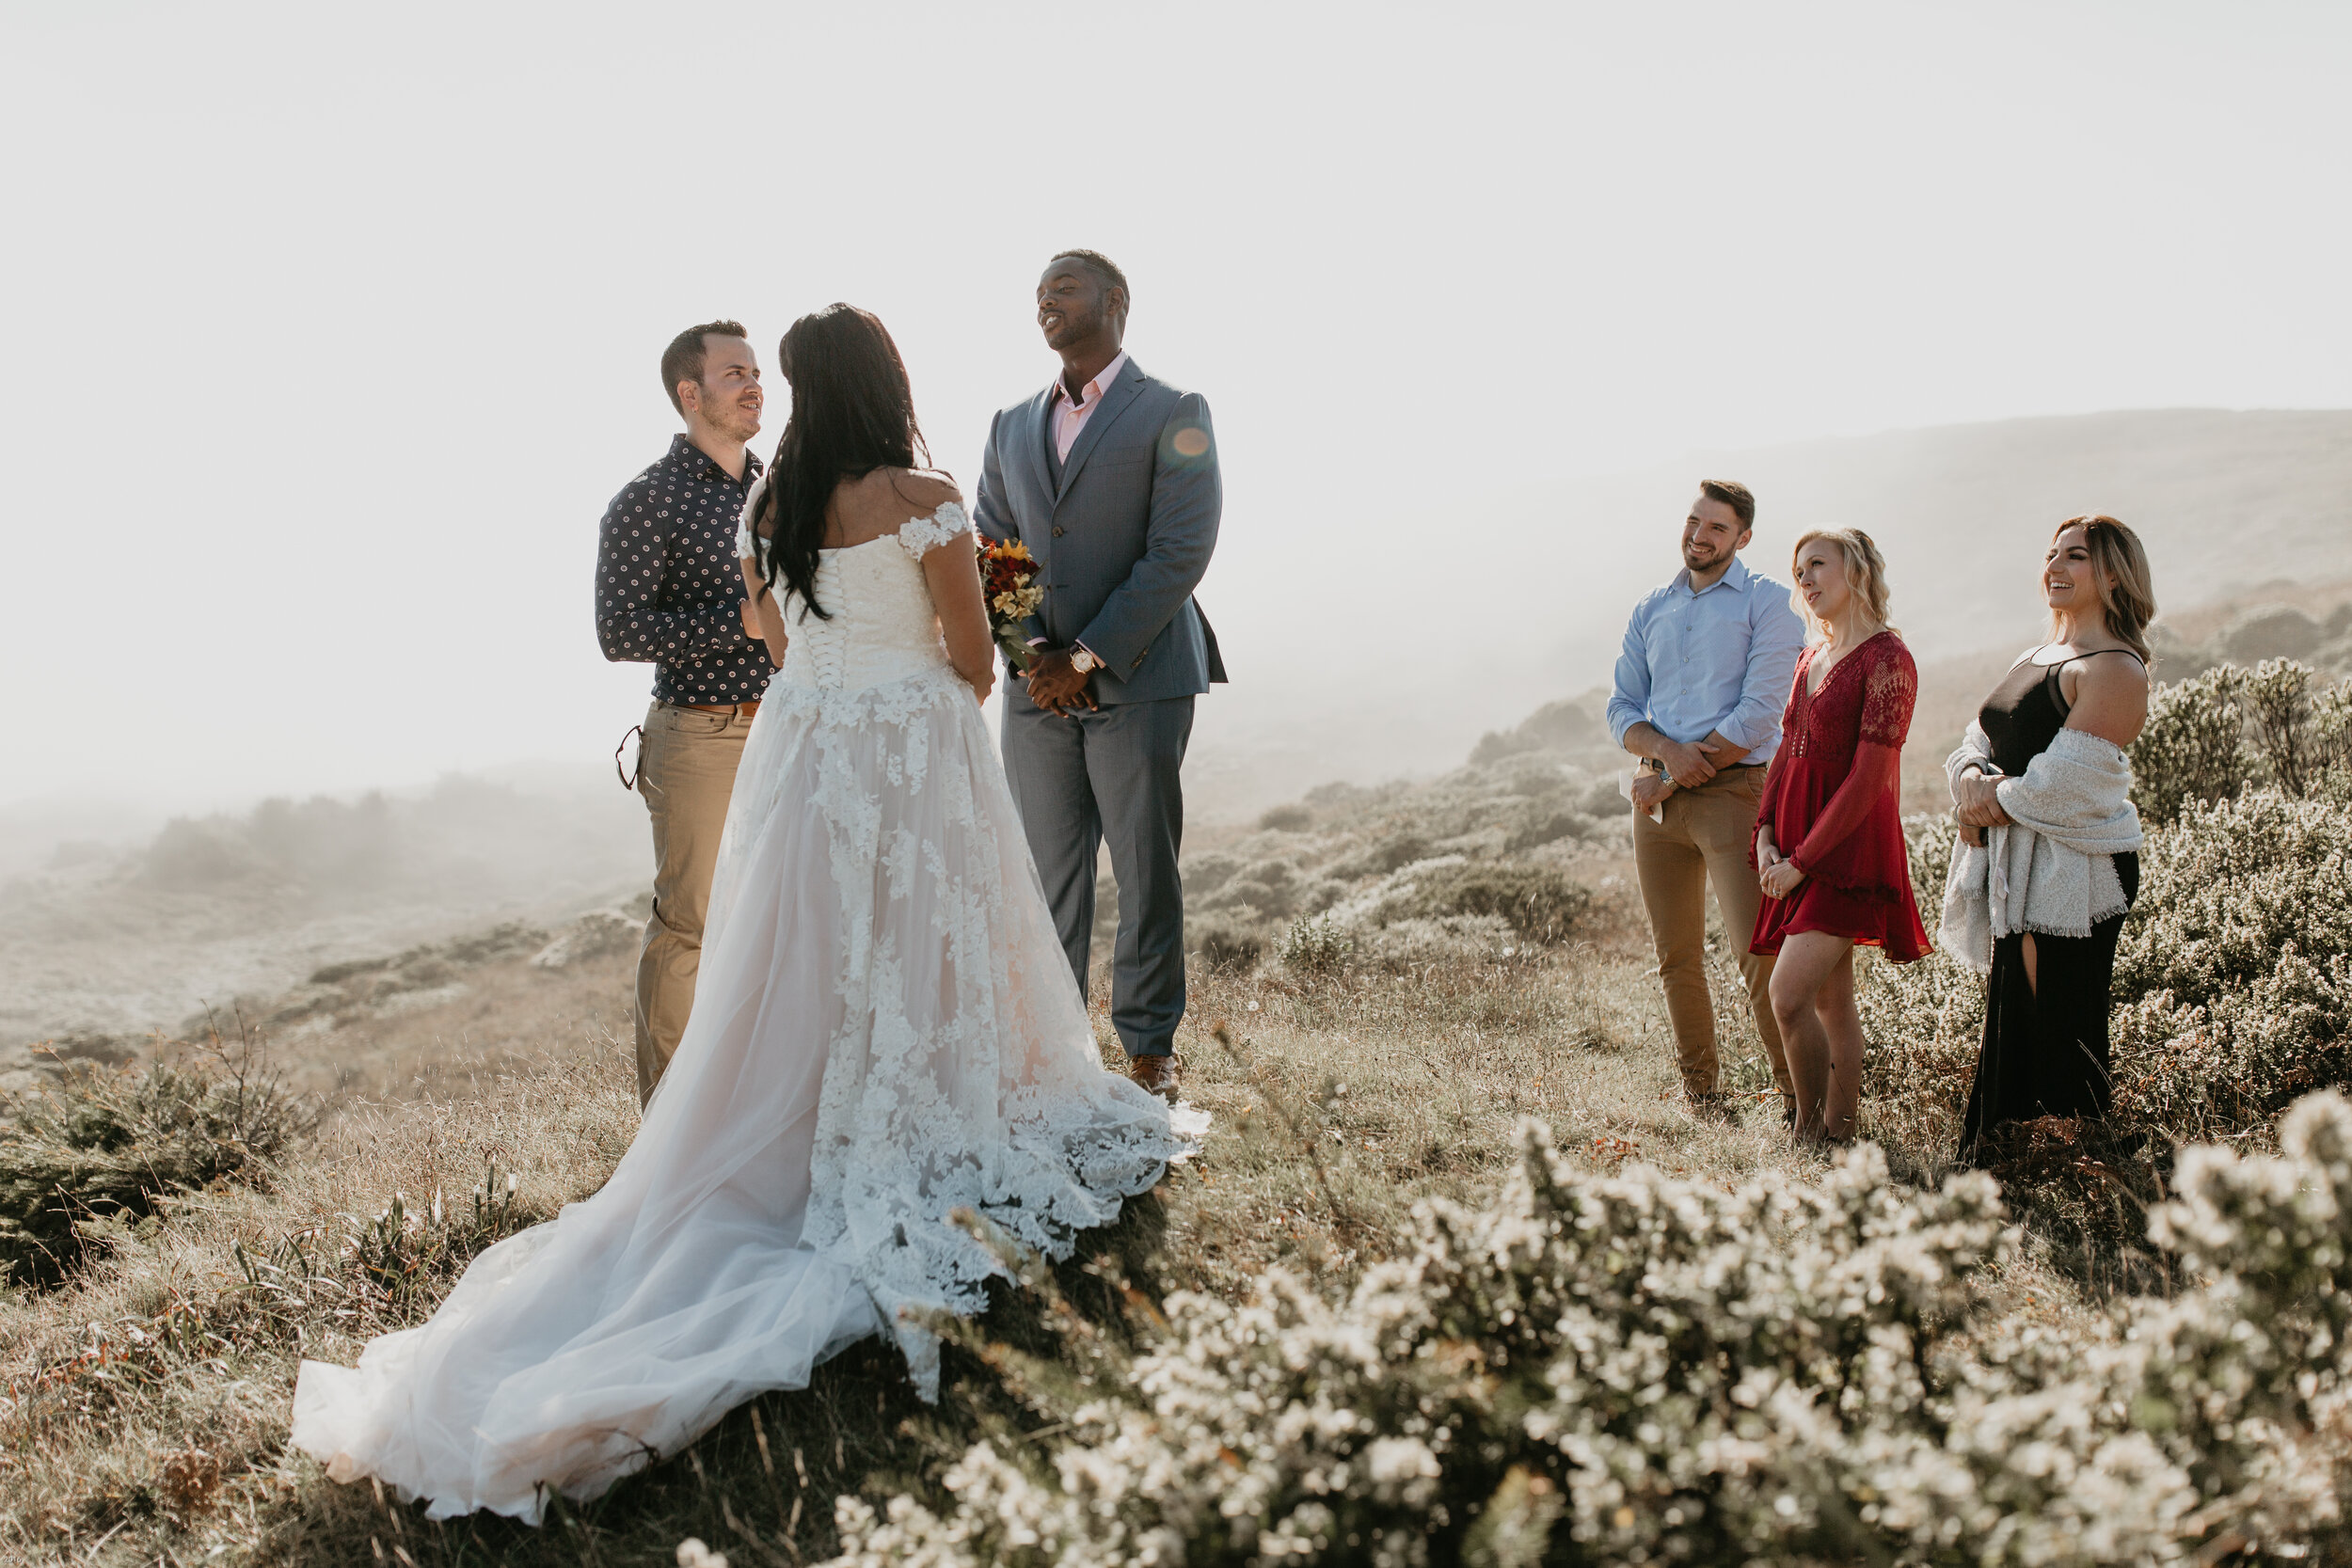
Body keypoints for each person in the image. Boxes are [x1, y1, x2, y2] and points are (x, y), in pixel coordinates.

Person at [293, 305, 1205, 1521]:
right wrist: (940, 669)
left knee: (807, 960)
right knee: (921, 947)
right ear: (887, 380)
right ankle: (935, 1106)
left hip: (810, 752)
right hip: (908, 751)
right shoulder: (923, 488)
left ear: (796, 387)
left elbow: (773, 637)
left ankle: (796, 1125)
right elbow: (978, 656)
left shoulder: (765, 506)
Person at [973, 251, 1225, 1097]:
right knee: (1047, 874)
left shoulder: (1172, 409)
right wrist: (1033, 655)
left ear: (1116, 302)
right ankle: (1052, 1051)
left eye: (1064, 287)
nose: (1045, 299)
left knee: (1147, 867)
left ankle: (1150, 1051)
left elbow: (1179, 551)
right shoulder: (1010, 423)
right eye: (1039, 291)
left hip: (1141, 678)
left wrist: (1084, 656)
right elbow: (993, 550)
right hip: (1034, 692)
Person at [595, 321, 773, 1105]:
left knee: (776, 918)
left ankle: (758, 1101)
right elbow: (619, 632)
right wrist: (739, 621)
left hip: (786, 725)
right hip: (700, 735)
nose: (754, 384)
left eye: (757, 370)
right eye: (735, 372)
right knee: (691, 928)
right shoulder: (647, 501)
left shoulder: (779, 488)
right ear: (689, 393)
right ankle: (669, 1118)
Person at [1942, 516, 2153, 1163]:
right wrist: (1971, 779)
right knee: (2018, 1008)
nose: (2056, 565)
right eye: (2052, 553)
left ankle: (2085, 1163)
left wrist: (1984, 798)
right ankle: (2016, 1158)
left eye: (2077, 556)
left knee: (2058, 1015)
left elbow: (2064, 787)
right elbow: (1973, 743)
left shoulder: (2117, 669)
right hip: (2020, 862)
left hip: (2076, 869)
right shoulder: (2034, 657)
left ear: (2113, 574)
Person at [1609, 481, 1806, 1121]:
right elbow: (1621, 708)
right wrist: (1664, 754)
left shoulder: (1770, 603)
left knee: (1758, 953)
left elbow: (1760, 712)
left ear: (1742, 537)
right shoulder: (1651, 607)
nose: (1700, 535)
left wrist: (1670, 773)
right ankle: (1703, 1097)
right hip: (1657, 808)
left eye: (1717, 528)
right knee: (1676, 956)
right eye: (1695, 521)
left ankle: (1795, 1097)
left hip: (1733, 797)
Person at [1751, 529, 1931, 1144]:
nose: (1804, 579)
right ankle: (1840, 1133)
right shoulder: (1810, 656)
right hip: (1796, 845)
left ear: (1854, 570)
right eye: (1798, 569)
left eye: (1816, 566)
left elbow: (1868, 778)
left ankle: (1807, 1132)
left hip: (1846, 851)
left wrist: (1802, 860)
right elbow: (1786, 752)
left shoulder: (1888, 659)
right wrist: (1765, 835)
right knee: (1831, 1001)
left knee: (1787, 995)